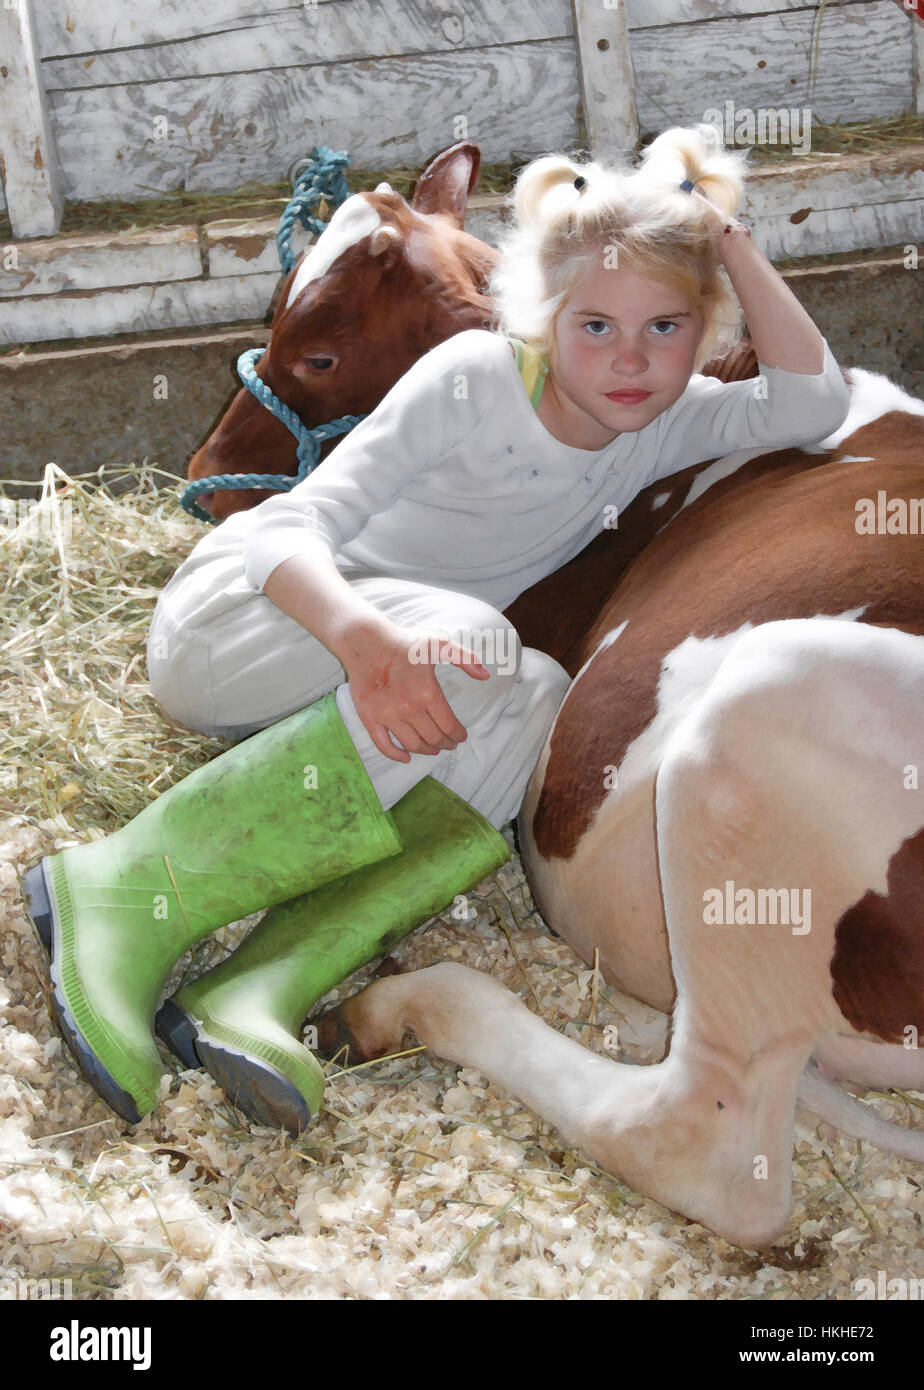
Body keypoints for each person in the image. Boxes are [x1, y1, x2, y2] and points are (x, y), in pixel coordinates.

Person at [21, 124, 851, 1135]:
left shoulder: (665, 421)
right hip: (244, 622)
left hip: (367, 679)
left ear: (702, 329)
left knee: (538, 696)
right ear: (544, 315)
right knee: (472, 641)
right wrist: (374, 647)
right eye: (595, 326)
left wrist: (731, 241)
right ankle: (120, 890)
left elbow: (815, 397)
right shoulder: (473, 382)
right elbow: (283, 526)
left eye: (665, 329)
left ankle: (258, 985)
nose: (630, 360)